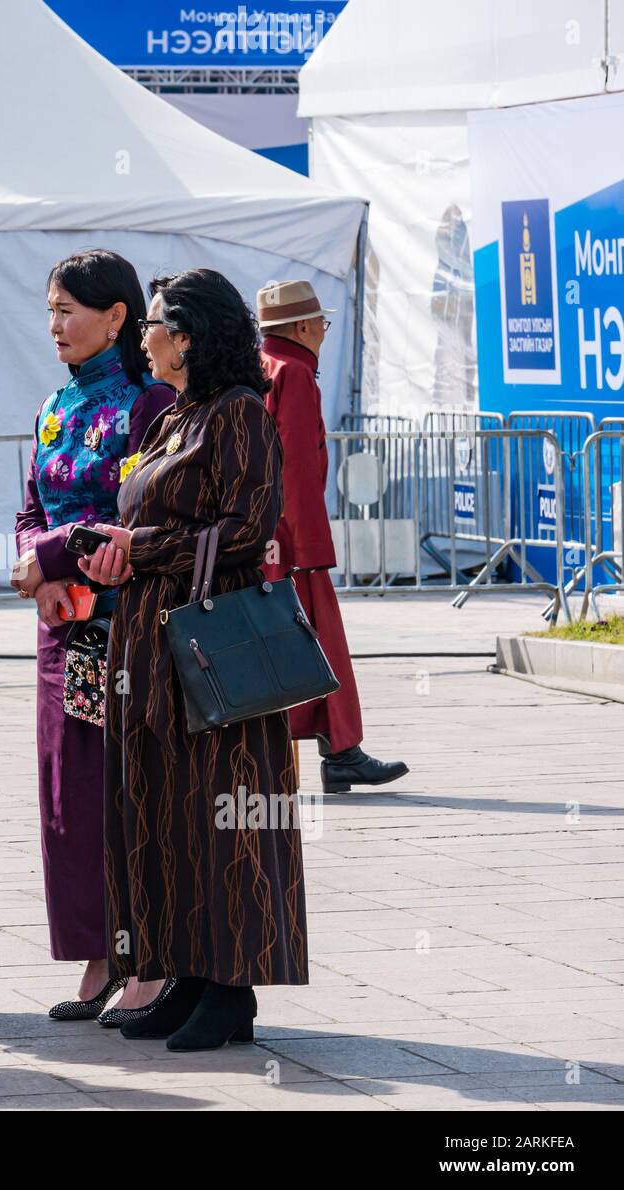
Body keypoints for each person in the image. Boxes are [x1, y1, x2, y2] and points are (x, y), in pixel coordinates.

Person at [77, 269, 308, 1051]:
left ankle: (230, 987)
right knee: (163, 808)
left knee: (224, 809)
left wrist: (140, 548)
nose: (142, 335)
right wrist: (114, 556)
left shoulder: (240, 413)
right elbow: (149, 522)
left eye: (153, 324)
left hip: (211, 643)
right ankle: (182, 970)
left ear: (188, 336)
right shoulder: (170, 417)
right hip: (148, 638)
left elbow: (248, 527)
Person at [13, 250, 174, 1025]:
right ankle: (97, 948)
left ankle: (148, 947)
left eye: (69, 309)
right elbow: (31, 507)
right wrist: (42, 574)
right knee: (68, 797)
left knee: (127, 788)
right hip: (62, 633)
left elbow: (136, 519)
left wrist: (49, 557)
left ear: (117, 316)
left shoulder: (148, 406)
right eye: (49, 309)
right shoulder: (52, 405)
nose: (55, 325)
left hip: (125, 629)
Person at [255, 280, 409, 793]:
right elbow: (296, 468)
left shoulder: (262, 367)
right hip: (292, 540)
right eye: (320, 321)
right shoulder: (295, 373)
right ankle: (341, 751)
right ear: (301, 327)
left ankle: (337, 748)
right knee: (321, 646)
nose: (324, 328)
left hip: (265, 535)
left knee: (291, 645)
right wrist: (311, 549)